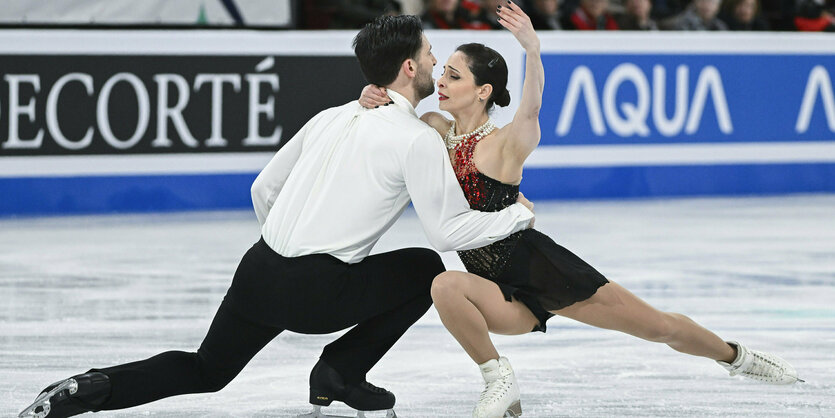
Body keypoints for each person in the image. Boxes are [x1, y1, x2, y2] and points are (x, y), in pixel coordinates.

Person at [17, 15, 536, 418]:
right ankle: (339, 370)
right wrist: (513, 215)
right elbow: (445, 231)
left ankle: (86, 390)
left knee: (206, 369)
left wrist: (293, 247)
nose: (434, 62)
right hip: (316, 293)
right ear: (407, 68)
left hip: (258, 270)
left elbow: (262, 188)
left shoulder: (332, 115)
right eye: (428, 55)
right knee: (425, 267)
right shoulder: (416, 139)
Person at [360, 3, 801, 417]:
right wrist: (369, 96)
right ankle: (498, 378)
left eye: (454, 76)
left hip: (543, 270)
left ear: (483, 91)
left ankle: (735, 355)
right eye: (445, 73)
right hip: (492, 285)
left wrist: (533, 49)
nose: (441, 82)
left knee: (657, 327)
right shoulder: (435, 128)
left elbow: (530, 107)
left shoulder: (506, 144)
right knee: (445, 286)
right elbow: (396, 112)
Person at [663, 0, 729, 30]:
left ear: (718, 6)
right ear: (696, 2)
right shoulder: (681, 24)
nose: (707, 6)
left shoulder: (720, 26)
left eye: (712, 2)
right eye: (704, 1)